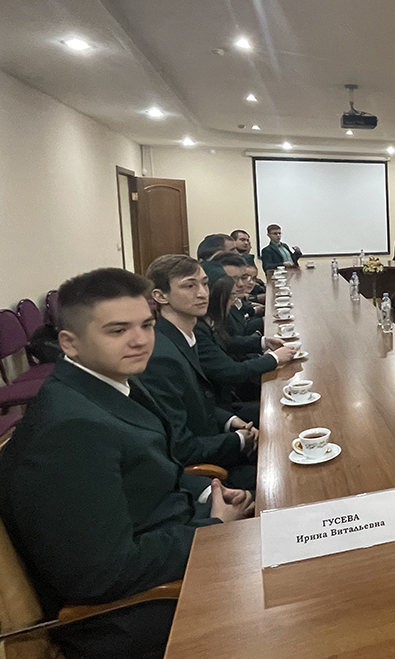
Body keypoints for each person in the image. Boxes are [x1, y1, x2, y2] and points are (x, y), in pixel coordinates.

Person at [0, 268, 253, 659]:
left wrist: (209, 491)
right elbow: (103, 573)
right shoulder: (70, 429)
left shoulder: (105, 383)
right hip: (132, 614)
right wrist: (212, 530)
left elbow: (154, 468)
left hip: (172, 538)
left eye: (146, 325)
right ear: (70, 343)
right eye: (117, 330)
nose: (140, 340)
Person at [138, 255, 259, 490]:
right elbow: (181, 447)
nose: (203, 293)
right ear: (160, 296)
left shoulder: (185, 335)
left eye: (204, 283)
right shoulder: (161, 356)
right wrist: (239, 440)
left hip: (218, 441)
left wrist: (231, 421)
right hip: (206, 476)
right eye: (189, 286)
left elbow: (198, 403)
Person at [198, 276, 294, 424]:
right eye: (231, 297)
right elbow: (231, 371)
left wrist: (263, 342)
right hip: (221, 408)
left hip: (228, 398)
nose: (233, 302)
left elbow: (227, 342)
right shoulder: (198, 328)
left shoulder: (205, 322)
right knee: (281, 409)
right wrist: (274, 358)